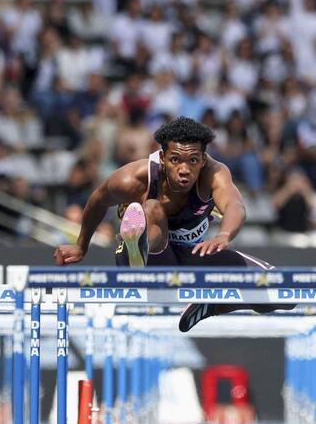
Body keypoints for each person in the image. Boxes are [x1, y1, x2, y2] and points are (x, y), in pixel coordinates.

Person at [54, 116, 292, 332]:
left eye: (193, 161)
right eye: (176, 160)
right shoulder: (134, 178)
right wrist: (81, 246)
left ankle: (210, 305)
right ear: (162, 158)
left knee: (284, 294)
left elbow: (235, 205)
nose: (184, 170)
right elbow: (97, 200)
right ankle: (137, 256)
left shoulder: (214, 173)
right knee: (151, 208)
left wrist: (224, 234)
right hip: (153, 258)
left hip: (191, 256)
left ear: (203, 160)